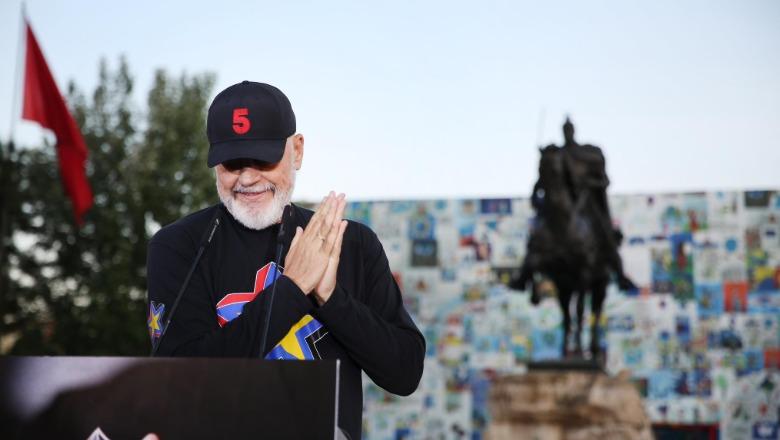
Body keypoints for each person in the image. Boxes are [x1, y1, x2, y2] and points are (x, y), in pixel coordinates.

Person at [146, 81, 425, 439]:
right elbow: (179, 382)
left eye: (263, 158)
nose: (248, 178)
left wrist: (332, 299)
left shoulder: (352, 243)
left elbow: (405, 373)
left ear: (297, 150)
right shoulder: (177, 245)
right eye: (232, 163)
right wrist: (293, 288)